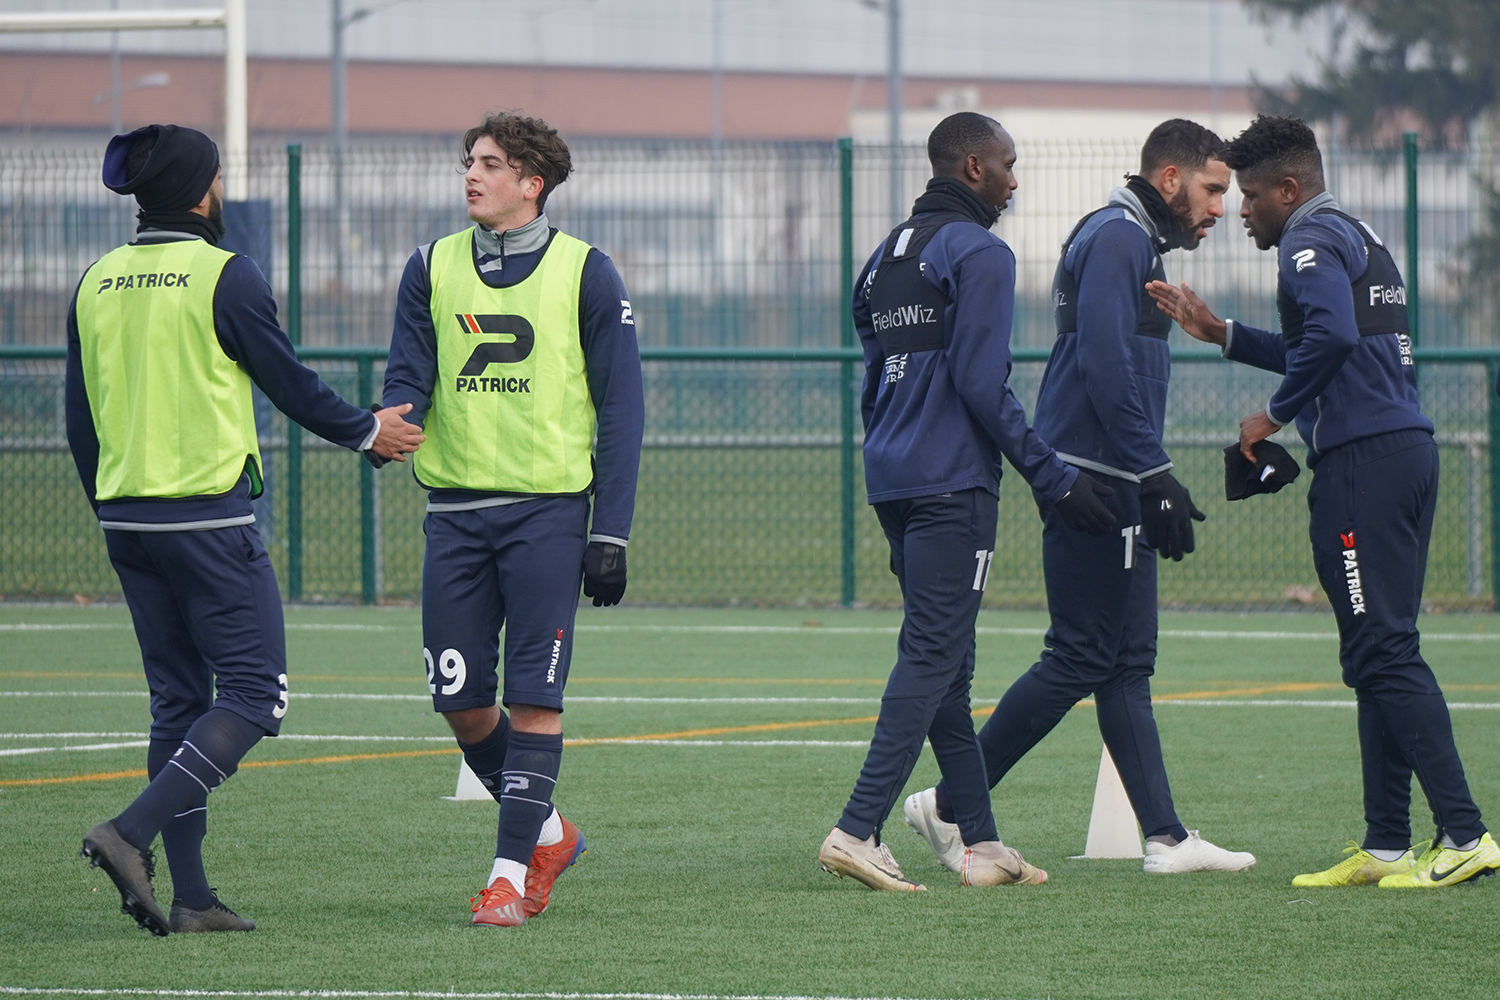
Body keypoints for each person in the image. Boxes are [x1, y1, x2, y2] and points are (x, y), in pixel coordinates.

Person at [70, 124, 424, 936]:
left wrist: (113, 511)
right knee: (256, 697)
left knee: (178, 702)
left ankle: (193, 899)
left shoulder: (95, 280)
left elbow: (78, 420)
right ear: (201, 191)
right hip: (208, 518)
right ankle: (127, 833)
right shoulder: (225, 273)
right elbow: (287, 381)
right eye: (218, 177)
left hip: (126, 519)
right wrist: (368, 431)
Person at [1148, 114, 1499, 887]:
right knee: (1377, 652)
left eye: (1249, 197)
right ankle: (1387, 844)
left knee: (1383, 651)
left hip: (1363, 467)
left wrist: (1272, 415)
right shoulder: (1351, 232)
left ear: (1288, 188)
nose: (1241, 211)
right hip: (1401, 453)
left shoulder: (1307, 239)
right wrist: (1223, 332)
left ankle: (1466, 834)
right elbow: (1326, 342)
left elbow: (1332, 338)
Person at [904, 120, 1257, 877]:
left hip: (1112, 472)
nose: (1220, 208)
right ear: (1169, 179)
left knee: (1125, 661)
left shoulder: (1129, 238)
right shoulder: (1119, 237)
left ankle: (1165, 838)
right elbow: (1102, 360)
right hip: (1098, 478)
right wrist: (1152, 472)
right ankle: (951, 804)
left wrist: (1147, 473)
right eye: (1212, 190)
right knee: (1081, 656)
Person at [817, 112, 1117, 892]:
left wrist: (890, 456)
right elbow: (983, 384)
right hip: (952, 482)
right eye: (1009, 165)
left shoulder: (883, 257)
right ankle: (857, 828)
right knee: (933, 652)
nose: (1016, 181)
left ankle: (980, 845)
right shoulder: (981, 252)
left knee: (949, 663)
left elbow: (876, 378)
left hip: (893, 477)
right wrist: (1055, 478)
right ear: (975, 167)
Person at [380, 112, 643, 926]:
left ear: (532, 184)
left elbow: (622, 408)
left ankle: (506, 878)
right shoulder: (428, 266)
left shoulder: (587, 272)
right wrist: (390, 420)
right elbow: (408, 373)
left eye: (491, 164)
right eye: (471, 161)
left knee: (535, 699)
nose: (473, 174)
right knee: (460, 701)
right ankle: (553, 835)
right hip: (454, 516)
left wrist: (610, 531)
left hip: (547, 517)